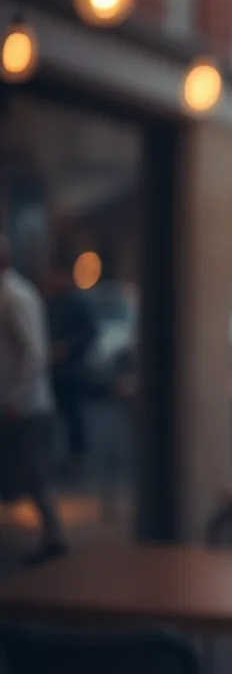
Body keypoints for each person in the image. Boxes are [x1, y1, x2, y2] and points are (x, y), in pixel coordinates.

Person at [0, 233, 69, 565]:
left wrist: (14, 397)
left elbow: (32, 354)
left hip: (22, 405)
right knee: (27, 472)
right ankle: (53, 535)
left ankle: (55, 535)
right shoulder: (12, 294)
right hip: (19, 401)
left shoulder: (13, 297)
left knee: (33, 473)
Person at [45, 258, 99, 467]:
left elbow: (89, 332)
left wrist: (68, 347)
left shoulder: (76, 301)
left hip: (72, 368)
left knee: (73, 412)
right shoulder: (53, 302)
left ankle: (78, 452)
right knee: (57, 414)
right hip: (56, 368)